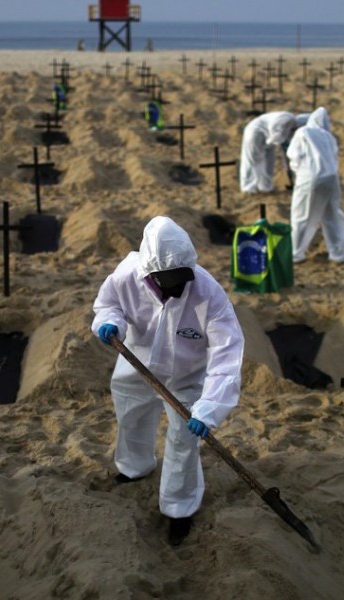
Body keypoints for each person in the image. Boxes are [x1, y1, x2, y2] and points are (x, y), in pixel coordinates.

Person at [92, 216, 245, 546]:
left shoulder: (209, 295)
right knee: (131, 417)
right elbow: (108, 305)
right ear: (150, 274)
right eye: (170, 280)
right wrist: (109, 323)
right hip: (136, 363)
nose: (179, 286)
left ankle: (179, 508)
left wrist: (209, 408)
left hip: (186, 377)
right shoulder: (127, 276)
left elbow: (226, 357)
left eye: (183, 278)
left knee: (182, 441)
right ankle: (134, 467)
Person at [286, 107, 344, 264]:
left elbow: (293, 156)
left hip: (310, 178)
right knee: (331, 215)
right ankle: (337, 254)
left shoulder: (303, 132)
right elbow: (334, 158)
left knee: (301, 216)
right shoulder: (329, 137)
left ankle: (295, 253)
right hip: (332, 179)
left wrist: (299, 173)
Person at [239, 111, 299, 193]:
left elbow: (286, 149)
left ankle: (265, 187)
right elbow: (279, 140)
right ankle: (248, 187)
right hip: (255, 131)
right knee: (252, 159)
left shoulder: (293, 125)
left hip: (269, 135)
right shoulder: (282, 121)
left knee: (269, 161)